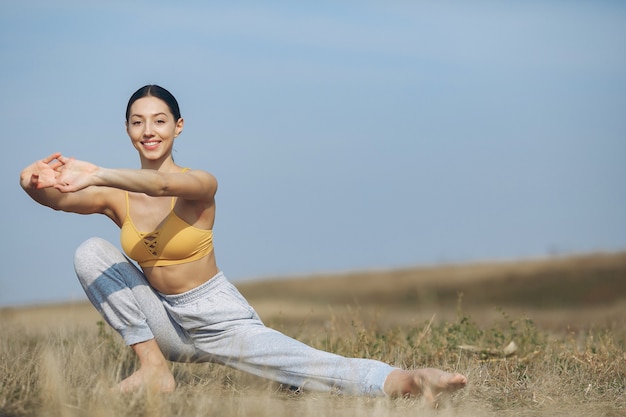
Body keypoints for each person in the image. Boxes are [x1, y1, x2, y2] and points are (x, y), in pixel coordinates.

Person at [20, 84, 467, 404]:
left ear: (178, 127)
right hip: (165, 323)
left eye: (159, 121)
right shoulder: (116, 195)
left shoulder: (200, 182)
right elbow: (57, 200)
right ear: (127, 130)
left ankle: (413, 380)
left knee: (311, 368)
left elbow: (158, 188)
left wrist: (97, 172)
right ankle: (154, 368)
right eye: (138, 122)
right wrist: (32, 181)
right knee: (90, 253)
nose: (148, 130)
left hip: (219, 319)